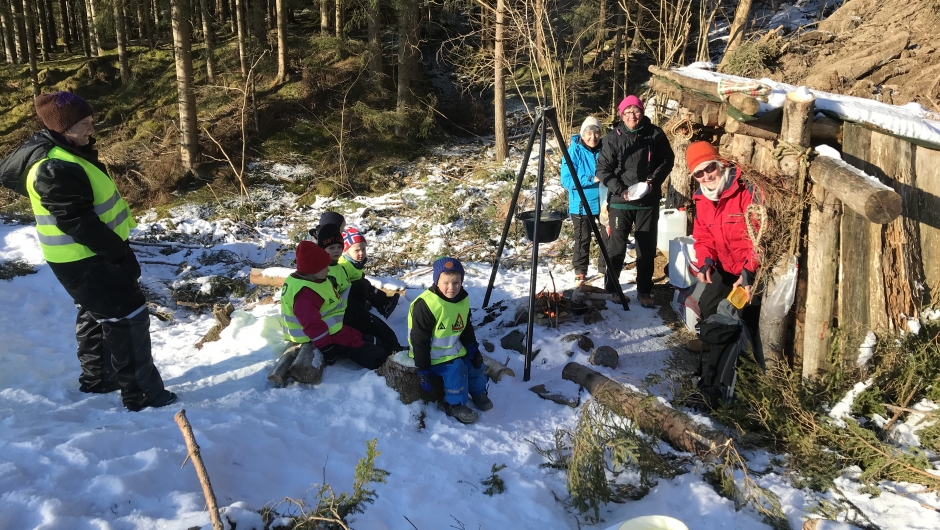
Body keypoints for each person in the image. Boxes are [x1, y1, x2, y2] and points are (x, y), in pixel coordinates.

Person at [0, 91, 176, 411]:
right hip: (89, 258)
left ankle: (99, 378)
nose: (91, 129)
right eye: (84, 123)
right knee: (128, 319)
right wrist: (117, 255)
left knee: (97, 314)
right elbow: (78, 222)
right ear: (62, 128)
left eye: (91, 121)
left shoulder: (67, 152)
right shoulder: (54, 166)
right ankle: (143, 395)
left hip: (85, 257)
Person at [596, 95, 675, 308]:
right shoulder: (613, 137)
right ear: (621, 114)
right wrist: (620, 190)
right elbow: (603, 169)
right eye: (627, 111)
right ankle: (612, 287)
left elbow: (668, 160)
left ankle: (644, 289)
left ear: (642, 112)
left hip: (647, 200)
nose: (632, 115)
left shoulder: (655, 134)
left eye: (636, 110)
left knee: (646, 247)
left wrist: (652, 182)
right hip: (621, 202)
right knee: (616, 247)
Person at [280, 241, 391, 369]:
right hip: (316, 336)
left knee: (356, 334)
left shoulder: (314, 279)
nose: (328, 269)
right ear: (313, 269)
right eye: (325, 267)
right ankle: (381, 360)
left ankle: (385, 347)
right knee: (354, 343)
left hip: (331, 326)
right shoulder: (305, 293)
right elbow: (312, 324)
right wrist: (326, 348)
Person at [408, 257, 492, 424]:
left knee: (475, 366)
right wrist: (423, 368)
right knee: (457, 370)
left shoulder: (462, 299)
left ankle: (478, 393)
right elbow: (419, 339)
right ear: (436, 280)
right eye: (446, 282)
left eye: (456, 283)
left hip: (453, 347)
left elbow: (465, 326)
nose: (451, 288)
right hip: (433, 354)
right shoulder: (426, 304)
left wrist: (471, 347)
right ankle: (454, 404)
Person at [687, 141, 761, 321]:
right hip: (725, 266)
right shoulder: (701, 199)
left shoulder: (745, 190)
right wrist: (706, 262)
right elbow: (703, 237)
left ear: (720, 164)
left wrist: (748, 272)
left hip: (752, 268)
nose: (706, 176)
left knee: (743, 312)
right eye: (699, 173)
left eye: (710, 168)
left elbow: (760, 237)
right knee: (707, 306)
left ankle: (738, 347)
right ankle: (714, 343)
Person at [317, 223, 402, 352]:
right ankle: (391, 349)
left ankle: (393, 346)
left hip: (348, 308)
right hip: (342, 315)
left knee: (374, 322)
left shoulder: (337, 267)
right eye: (331, 247)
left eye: (339, 247)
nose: (336, 251)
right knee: (372, 327)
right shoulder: (326, 270)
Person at [560, 116, 608, 286]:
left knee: (607, 238)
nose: (592, 137)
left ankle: (605, 269)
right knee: (583, 239)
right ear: (582, 133)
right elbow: (566, 180)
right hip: (581, 204)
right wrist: (591, 178)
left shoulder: (606, 148)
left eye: (596, 133)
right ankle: (580, 271)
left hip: (604, 203)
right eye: (589, 133)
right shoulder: (573, 151)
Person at [339, 227, 400, 318]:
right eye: (357, 250)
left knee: (367, 284)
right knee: (363, 286)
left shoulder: (354, 262)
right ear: (346, 250)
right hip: (348, 296)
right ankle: (366, 306)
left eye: (363, 249)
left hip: (356, 288)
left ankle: (385, 302)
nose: (361, 253)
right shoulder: (343, 265)